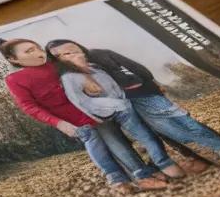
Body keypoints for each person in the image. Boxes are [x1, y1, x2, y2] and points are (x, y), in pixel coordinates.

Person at [0, 37, 166, 192]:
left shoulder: (56, 64)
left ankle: (144, 174)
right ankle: (121, 179)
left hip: (93, 108)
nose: (38, 52)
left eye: (37, 48)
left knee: (117, 140)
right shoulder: (15, 79)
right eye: (29, 51)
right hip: (71, 120)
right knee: (97, 144)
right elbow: (29, 106)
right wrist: (59, 123)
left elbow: (84, 75)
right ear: (13, 59)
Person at [46, 41, 187, 184]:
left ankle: (164, 163)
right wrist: (96, 115)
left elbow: (115, 87)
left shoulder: (96, 68)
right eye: (62, 55)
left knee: (145, 135)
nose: (70, 55)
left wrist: (122, 102)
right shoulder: (68, 77)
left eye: (72, 50)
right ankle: (144, 173)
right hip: (100, 117)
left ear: (81, 50)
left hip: (123, 109)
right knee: (119, 145)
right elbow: (79, 101)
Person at [86, 45, 220, 165]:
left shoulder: (95, 58)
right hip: (132, 100)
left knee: (178, 125)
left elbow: (137, 71)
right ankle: (218, 151)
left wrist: (145, 85)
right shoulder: (91, 61)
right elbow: (138, 70)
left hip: (137, 98)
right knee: (172, 127)